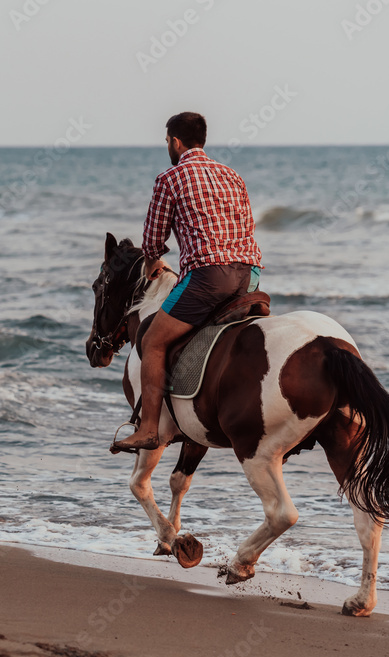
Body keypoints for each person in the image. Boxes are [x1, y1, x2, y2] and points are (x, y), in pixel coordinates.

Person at [112, 112, 262, 453]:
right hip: (250, 274)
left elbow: (152, 240)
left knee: (152, 341)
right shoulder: (233, 175)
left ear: (175, 142)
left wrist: (152, 263)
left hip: (210, 276)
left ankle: (149, 427)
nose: (168, 146)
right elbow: (247, 225)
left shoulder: (170, 178)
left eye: (167, 141)